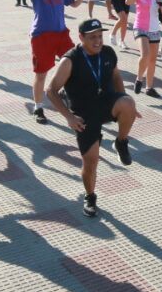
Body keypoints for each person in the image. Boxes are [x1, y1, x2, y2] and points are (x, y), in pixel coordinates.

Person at [46, 18, 137, 218]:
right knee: (91, 161)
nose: (97, 41)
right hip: (84, 114)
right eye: (92, 37)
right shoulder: (70, 60)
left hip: (105, 103)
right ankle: (90, 196)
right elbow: (51, 90)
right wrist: (69, 117)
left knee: (129, 103)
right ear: (81, 38)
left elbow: (116, 77)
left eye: (100, 36)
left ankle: (121, 142)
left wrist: (125, 101)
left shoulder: (108, 53)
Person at [21, 0, 84, 123]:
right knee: (41, 74)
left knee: (75, 65)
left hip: (61, 34)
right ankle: (38, 107)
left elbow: (73, 4)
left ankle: (64, 92)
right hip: (41, 36)